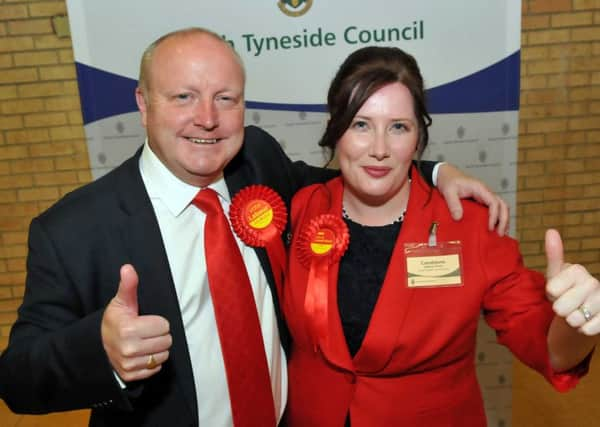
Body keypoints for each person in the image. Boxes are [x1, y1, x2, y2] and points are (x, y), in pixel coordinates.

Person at [0, 29, 508, 426]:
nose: (208, 119)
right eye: (183, 97)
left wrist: (434, 171)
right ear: (142, 103)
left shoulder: (257, 160)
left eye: (226, 98)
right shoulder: (73, 229)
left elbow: (347, 175)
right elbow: (17, 377)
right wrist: (102, 352)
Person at [282, 46, 600, 427]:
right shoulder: (302, 208)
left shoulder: (468, 224)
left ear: (418, 138)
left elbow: (545, 344)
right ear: (336, 130)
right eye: (360, 125)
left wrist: (576, 324)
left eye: (398, 127)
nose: (379, 149)